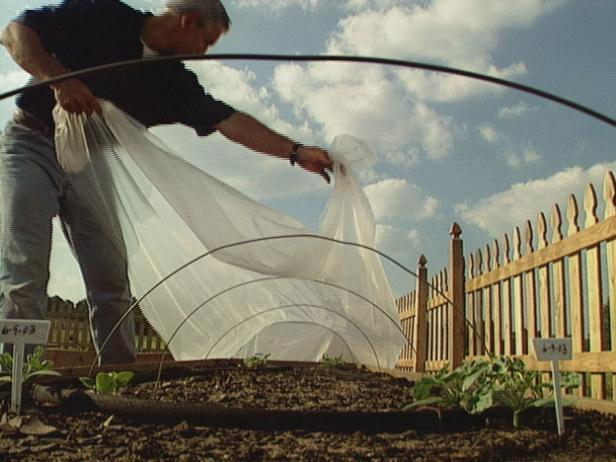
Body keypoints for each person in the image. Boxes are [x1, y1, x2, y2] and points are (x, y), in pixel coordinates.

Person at [0, 0, 333, 364]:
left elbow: (227, 120)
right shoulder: (104, 16)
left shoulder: (172, 81)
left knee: (110, 278)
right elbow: (15, 33)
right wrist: (58, 80)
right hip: (32, 142)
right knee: (25, 264)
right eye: (206, 41)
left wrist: (295, 151)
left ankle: (119, 376)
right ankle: (18, 378)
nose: (204, 53)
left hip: (91, 163)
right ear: (187, 22)